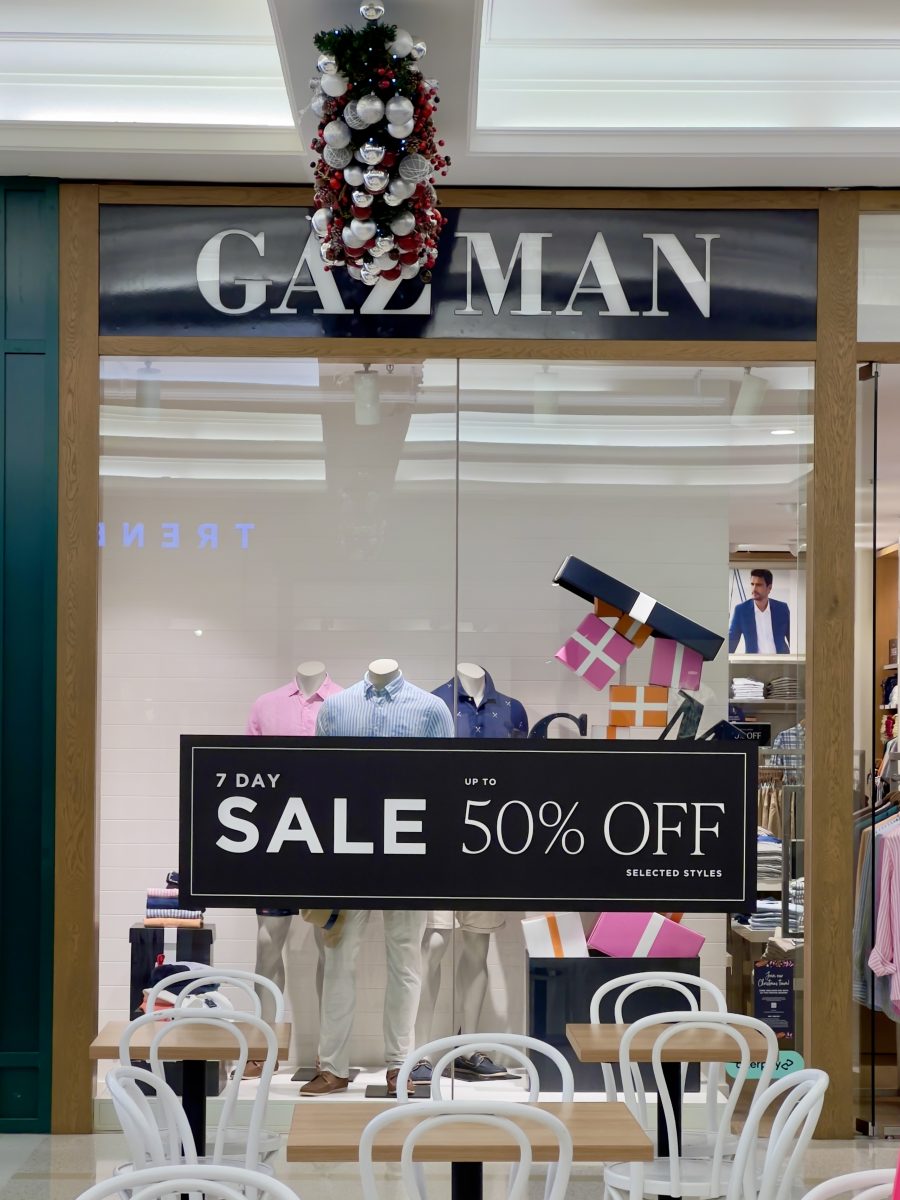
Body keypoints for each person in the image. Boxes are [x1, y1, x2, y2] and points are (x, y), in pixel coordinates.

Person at [728, 568, 790, 654]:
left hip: (781, 663)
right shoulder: (741, 611)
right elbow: (731, 642)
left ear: (769, 588)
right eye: (752, 584)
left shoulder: (782, 608)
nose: (754, 589)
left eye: (759, 585)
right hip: (754, 664)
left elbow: (794, 638)